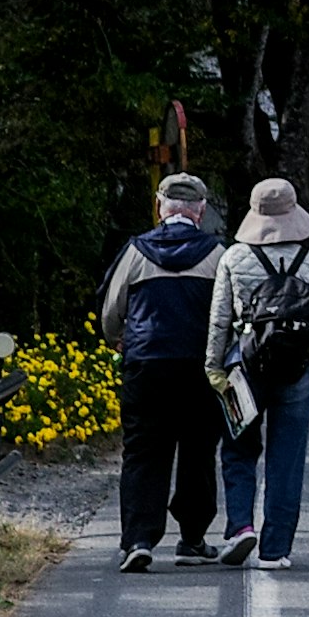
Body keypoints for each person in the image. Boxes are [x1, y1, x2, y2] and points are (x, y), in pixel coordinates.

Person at [209, 175, 309, 568]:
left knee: (237, 448)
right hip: (297, 368)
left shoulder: (234, 258)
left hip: (243, 367)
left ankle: (240, 527)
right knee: (287, 458)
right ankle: (276, 548)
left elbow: (219, 320)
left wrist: (212, 367)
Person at [99, 172, 225, 567]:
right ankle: (191, 539)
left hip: (146, 364)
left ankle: (139, 539)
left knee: (143, 452)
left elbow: (110, 312)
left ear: (159, 207)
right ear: (201, 211)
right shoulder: (217, 254)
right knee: (198, 450)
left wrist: (120, 339)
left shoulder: (136, 251)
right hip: (200, 367)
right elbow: (231, 312)